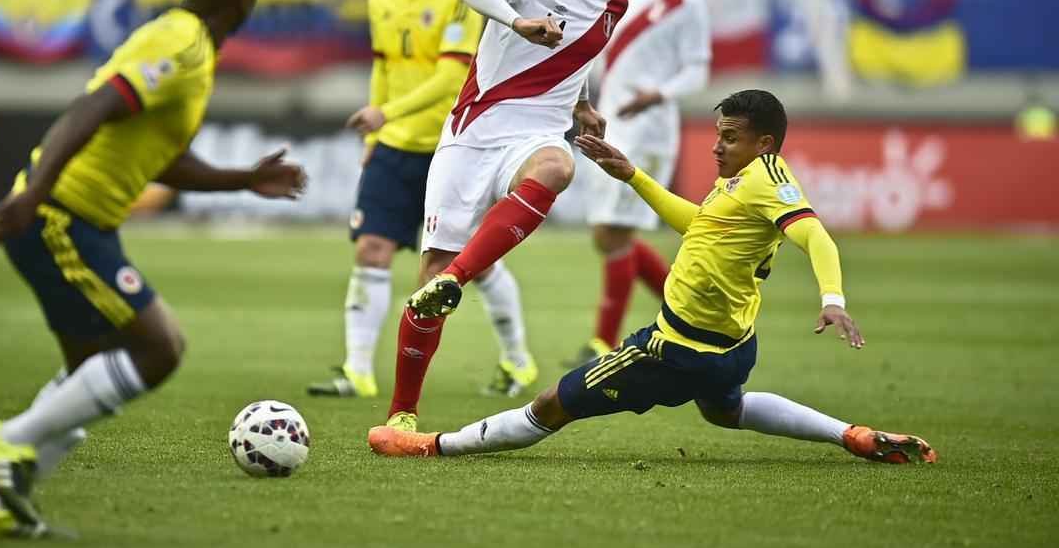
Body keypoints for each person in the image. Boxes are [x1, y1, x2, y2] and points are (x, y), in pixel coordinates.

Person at [368, 90, 937, 466]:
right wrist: (632, 176)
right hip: (733, 348)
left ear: (763, 143)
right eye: (717, 134)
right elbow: (700, 224)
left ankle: (430, 447)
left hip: (673, 349)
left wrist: (832, 297)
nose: (717, 146)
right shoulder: (744, 179)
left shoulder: (768, 182)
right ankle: (853, 435)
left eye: (730, 137)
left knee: (550, 405)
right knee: (726, 410)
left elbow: (815, 233)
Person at [0, 0, 308, 539]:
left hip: (77, 219)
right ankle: (8, 441)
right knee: (159, 347)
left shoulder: (194, 49)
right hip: (61, 218)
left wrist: (242, 179)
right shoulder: (178, 42)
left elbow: (164, 159)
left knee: (87, 376)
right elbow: (91, 108)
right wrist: (35, 194)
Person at [377, 0, 630, 434]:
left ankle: (460, 276)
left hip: (535, 134)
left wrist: (583, 104)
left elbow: (578, 54)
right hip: (473, 132)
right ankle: (402, 411)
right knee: (428, 283)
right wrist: (518, 22)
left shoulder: (615, 5)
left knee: (558, 167)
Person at [307, 0, 537, 400]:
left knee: (473, 264)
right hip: (392, 147)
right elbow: (382, 71)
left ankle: (518, 362)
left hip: (449, 148)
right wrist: (376, 134)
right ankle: (358, 371)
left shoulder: (458, 0)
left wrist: (385, 113)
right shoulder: (379, 0)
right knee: (371, 250)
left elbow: (452, 76)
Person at [575, 0, 711, 365]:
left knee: (614, 234)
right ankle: (689, 312)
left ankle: (601, 340)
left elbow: (697, 70)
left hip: (650, 130)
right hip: (610, 117)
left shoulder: (686, 2)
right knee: (608, 235)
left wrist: (659, 93)